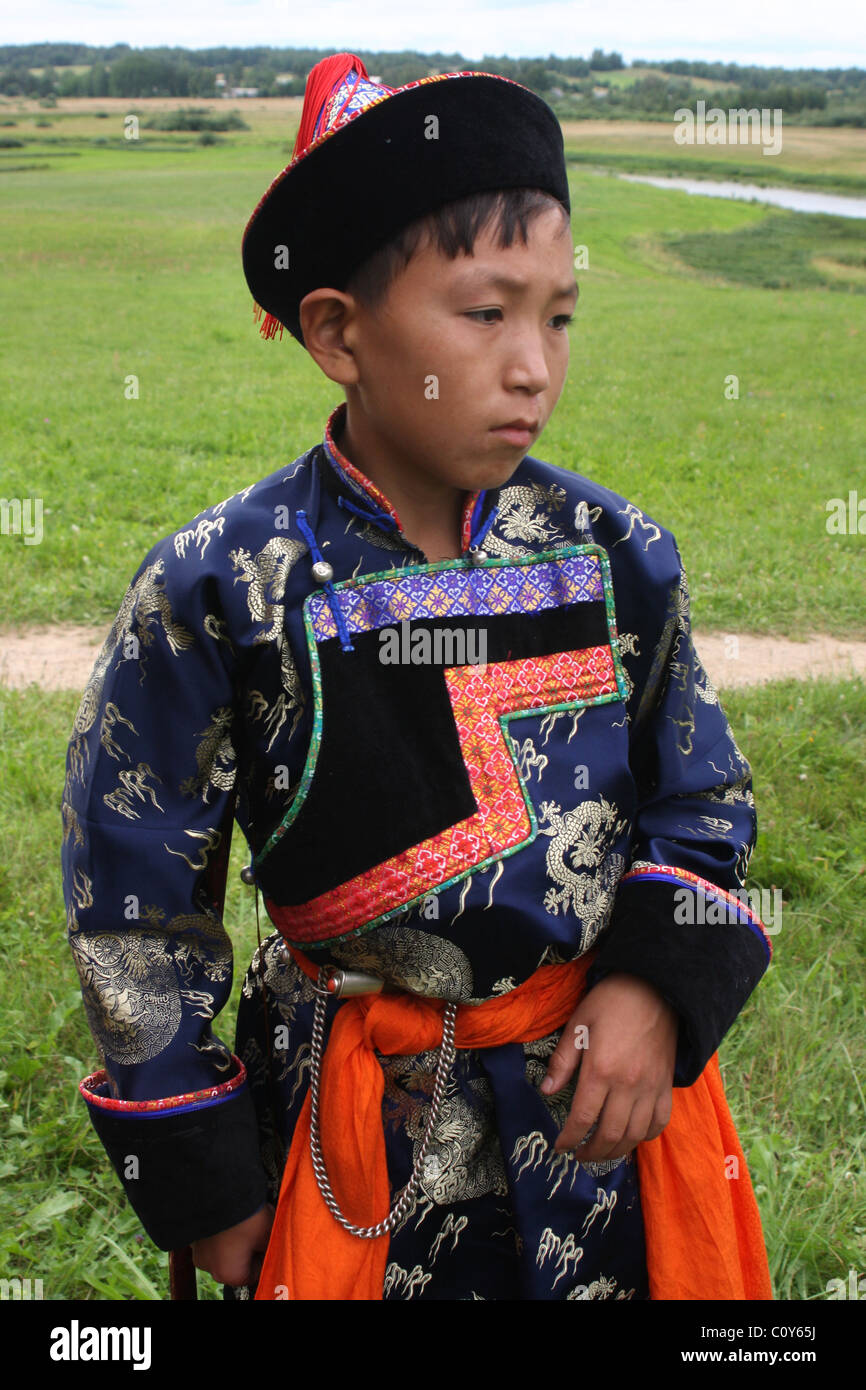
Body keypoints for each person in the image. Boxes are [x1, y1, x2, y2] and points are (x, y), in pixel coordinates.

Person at [61, 53, 773, 1301]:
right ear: (338, 331)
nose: (533, 365)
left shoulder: (617, 559)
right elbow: (137, 905)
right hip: (346, 1141)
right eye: (485, 313)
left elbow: (701, 800)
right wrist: (207, 1178)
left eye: (557, 315)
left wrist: (656, 992)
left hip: (591, 1114)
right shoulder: (218, 587)